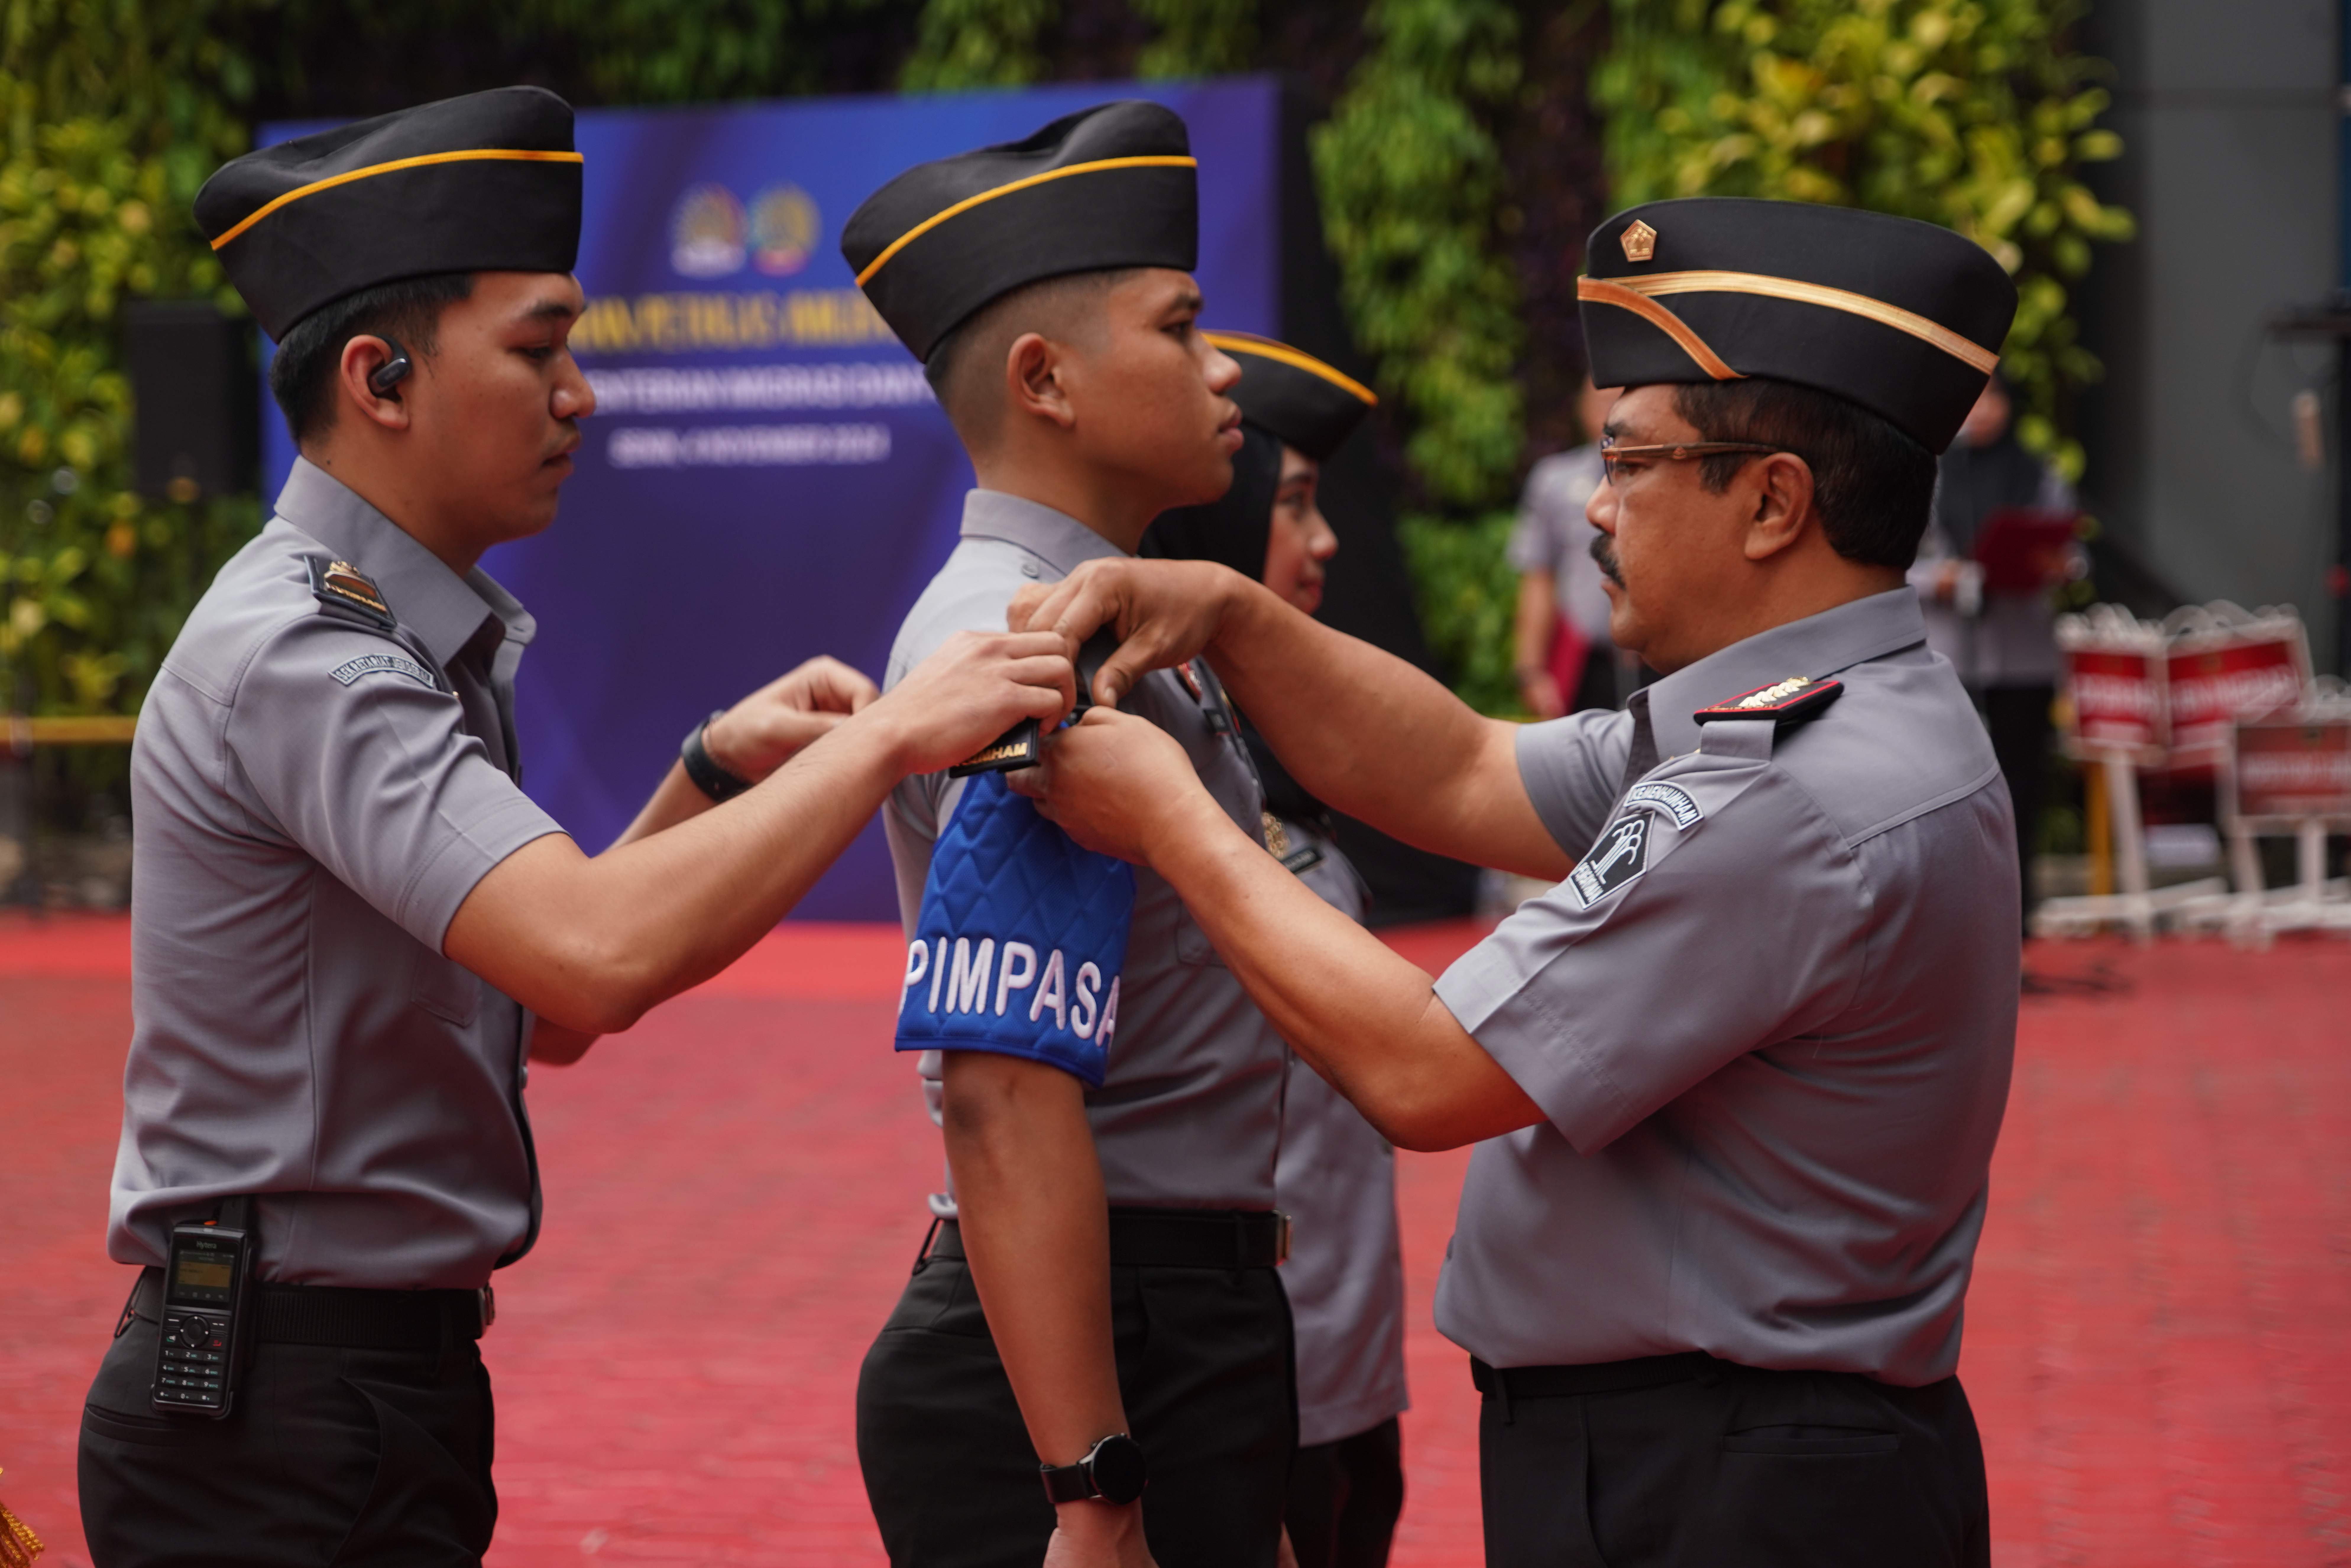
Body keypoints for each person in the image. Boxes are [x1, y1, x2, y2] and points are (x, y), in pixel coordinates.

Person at [78, 88, 1071, 1568]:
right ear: (381, 376)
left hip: (351, 1382)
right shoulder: (310, 654)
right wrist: (886, 740)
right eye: (539, 350)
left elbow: (541, 998)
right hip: (275, 1409)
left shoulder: (403, 643)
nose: (578, 393)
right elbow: (593, 958)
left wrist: (711, 774)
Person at [1013, 195, 2023, 1567]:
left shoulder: (1786, 789)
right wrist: (1235, 613)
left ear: (1775, 499)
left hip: (1721, 1475)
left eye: (1632, 457)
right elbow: (1465, 770)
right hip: (1738, 1447)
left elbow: (1427, 1071)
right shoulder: (1831, 709)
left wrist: (1177, 823)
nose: (1597, 509)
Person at [842, 103, 1294, 1568]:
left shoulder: (1121, 610)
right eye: (1181, 327)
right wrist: (1092, 1493)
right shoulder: (1020, 644)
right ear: (1045, 379)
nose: (1224, 368)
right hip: (1094, 1347)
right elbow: (1005, 1085)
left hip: (1164, 1316)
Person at [1139, 333, 1405, 1568]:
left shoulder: (1279, 750)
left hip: (1343, 1377)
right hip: (1249, 1377)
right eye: (1292, 504)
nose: (1324, 541)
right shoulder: (1158, 769)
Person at [1907, 372, 2075, 920]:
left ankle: (2019, 910)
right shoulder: (1930, 475)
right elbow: (1896, 564)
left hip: (2023, 653)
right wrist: (1943, 578)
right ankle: (1957, 912)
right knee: (1950, 784)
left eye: (1993, 398)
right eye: (1971, 400)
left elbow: (2072, 551)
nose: (1981, 411)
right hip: (1954, 655)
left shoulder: (2037, 470)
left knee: (2021, 781)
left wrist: (2057, 565)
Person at [1510, 375, 1624, 718]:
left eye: (1619, 402)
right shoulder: (1554, 481)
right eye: (1601, 402)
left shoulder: (1672, 475)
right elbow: (1538, 577)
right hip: (1585, 662)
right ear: (1582, 408)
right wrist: (1529, 670)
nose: (1609, 415)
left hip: (1657, 664)